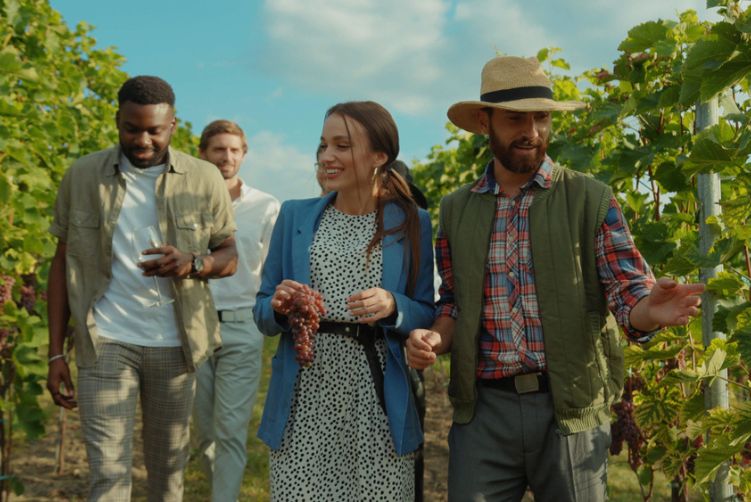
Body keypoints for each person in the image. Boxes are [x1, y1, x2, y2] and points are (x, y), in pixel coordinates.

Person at [405, 56, 704, 502]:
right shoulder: (455, 210)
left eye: (541, 117)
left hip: (569, 411)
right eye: (515, 119)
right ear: (485, 122)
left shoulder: (590, 198)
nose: (532, 131)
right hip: (484, 413)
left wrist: (648, 312)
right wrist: (434, 337)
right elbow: (454, 301)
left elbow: (629, 294)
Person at [46, 76, 237, 501]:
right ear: (117, 120)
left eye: (154, 129)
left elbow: (229, 255)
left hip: (175, 344)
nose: (143, 139)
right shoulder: (82, 176)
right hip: (106, 340)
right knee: (108, 474)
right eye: (132, 128)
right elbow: (61, 265)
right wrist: (56, 350)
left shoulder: (204, 178)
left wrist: (194, 263)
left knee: (168, 473)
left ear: (173, 125)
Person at [254, 101, 435, 500]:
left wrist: (394, 304)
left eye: (342, 145)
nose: (326, 156)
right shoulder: (294, 216)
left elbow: (427, 309)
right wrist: (279, 306)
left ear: (379, 156)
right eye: (323, 145)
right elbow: (262, 311)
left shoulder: (412, 221)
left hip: (378, 399)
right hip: (305, 398)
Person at [192, 120, 279, 501]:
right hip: (192, 324)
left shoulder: (265, 206)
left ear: (244, 154)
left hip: (243, 327)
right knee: (202, 429)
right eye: (218, 150)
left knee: (229, 429)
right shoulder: (185, 200)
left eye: (233, 150)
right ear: (203, 154)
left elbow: (272, 268)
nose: (226, 157)